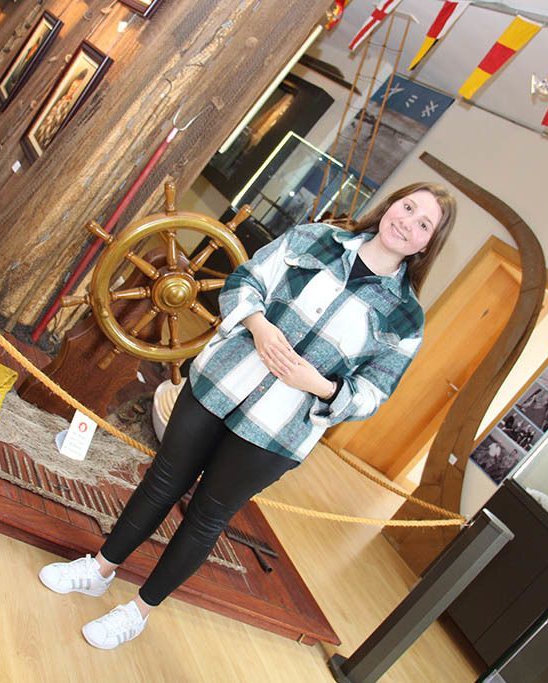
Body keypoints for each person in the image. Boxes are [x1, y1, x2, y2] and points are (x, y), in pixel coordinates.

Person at [37, 182, 456, 649]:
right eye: (407, 207)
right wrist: (259, 327)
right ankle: (99, 569)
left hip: (279, 432)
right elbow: (245, 281)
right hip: (220, 381)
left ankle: (138, 611)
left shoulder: (406, 319)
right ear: (391, 205)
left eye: (424, 224)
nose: (407, 222)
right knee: (161, 482)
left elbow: (373, 393)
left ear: (427, 244)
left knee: (206, 518)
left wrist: (318, 385)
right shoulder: (314, 238)